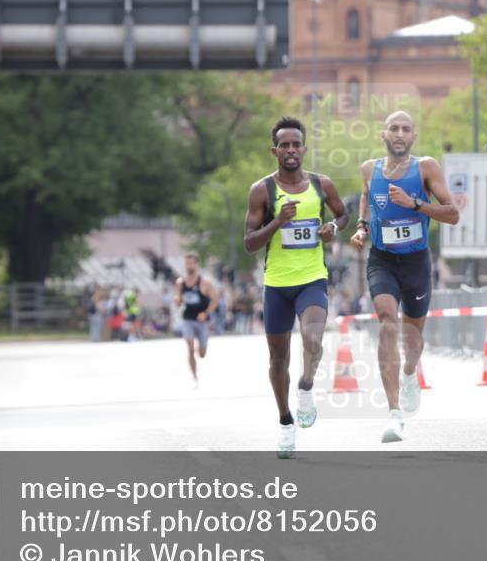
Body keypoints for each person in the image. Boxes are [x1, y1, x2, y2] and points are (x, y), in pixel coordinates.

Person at [349, 110, 459, 443]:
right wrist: (362, 227)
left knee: (412, 339)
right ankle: (394, 413)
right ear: (383, 134)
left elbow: (452, 214)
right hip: (382, 259)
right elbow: (367, 196)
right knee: (387, 322)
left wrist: (415, 205)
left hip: (416, 263)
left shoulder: (426, 168)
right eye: (394, 128)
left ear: (414, 136)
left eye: (406, 129)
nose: (399, 133)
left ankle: (410, 372)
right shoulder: (369, 169)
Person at [243, 115, 349, 459]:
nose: (290, 150)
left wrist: (334, 228)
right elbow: (249, 243)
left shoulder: (322, 185)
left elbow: (343, 215)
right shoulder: (262, 190)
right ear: (274, 151)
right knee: (278, 359)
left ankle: (306, 386)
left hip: (312, 279)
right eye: (284, 145)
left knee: (313, 340)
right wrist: (277, 221)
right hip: (277, 286)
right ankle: (286, 422)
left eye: (296, 144)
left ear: (304, 148)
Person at [174, 252, 218, 388]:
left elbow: (215, 301)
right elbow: (178, 300)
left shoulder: (205, 283)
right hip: (187, 319)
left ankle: (201, 347)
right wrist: (178, 301)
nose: (189, 266)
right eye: (187, 263)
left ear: (197, 264)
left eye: (191, 263)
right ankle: (194, 376)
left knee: (202, 354)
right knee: (190, 347)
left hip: (202, 321)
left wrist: (205, 313)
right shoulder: (180, 283)